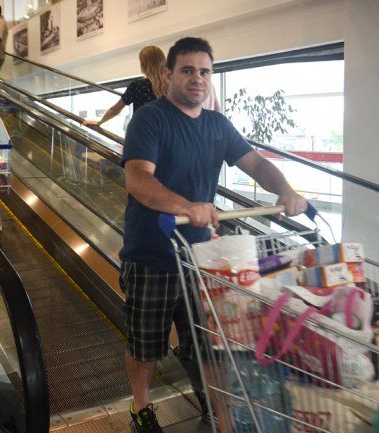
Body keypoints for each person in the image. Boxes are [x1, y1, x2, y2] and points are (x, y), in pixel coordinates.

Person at [120, 37, 307, 433]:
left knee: (207, 342)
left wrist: (285, 190)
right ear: (169, 74)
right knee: (145, 344)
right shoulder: (151, 119)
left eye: (204, 71)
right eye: (187, 70)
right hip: (151, 254)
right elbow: (137, 178)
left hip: (201, 258)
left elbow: (255, 163)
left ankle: (214, 405)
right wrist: (186, 206)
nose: (197, 78)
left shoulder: (218, 125)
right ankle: (140, 406)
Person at [82, 46, 167, 128]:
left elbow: (114, 110)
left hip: (143, 136)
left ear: (143, 65)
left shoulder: (137, 86)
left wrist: (99, 122)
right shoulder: (173, 86)